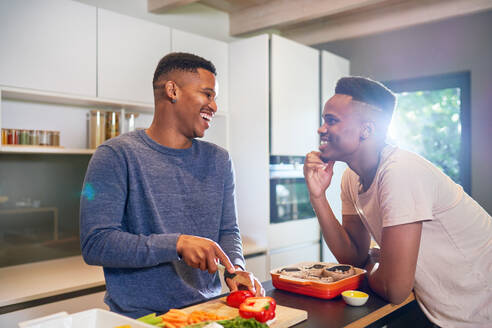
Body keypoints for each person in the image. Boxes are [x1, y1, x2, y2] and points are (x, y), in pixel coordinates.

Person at [80, 52, 264, 319]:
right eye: (207, 94)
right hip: (142, 319)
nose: (214, 106)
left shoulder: (219, 160)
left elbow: (227, 230)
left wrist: (235, 267)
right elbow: (96, 243)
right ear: (172, 90)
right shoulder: (116, 155)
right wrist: (176, 244)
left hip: (207, 313)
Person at [304, 76, 492, 328]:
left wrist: (372, 266)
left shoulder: (400, 171)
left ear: (366, 130)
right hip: (440, 307)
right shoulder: (351, 177)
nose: (321, 129)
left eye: (332, 120)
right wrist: (318, 196)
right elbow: (353, 256)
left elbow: (394, 288)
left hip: (479, 305)